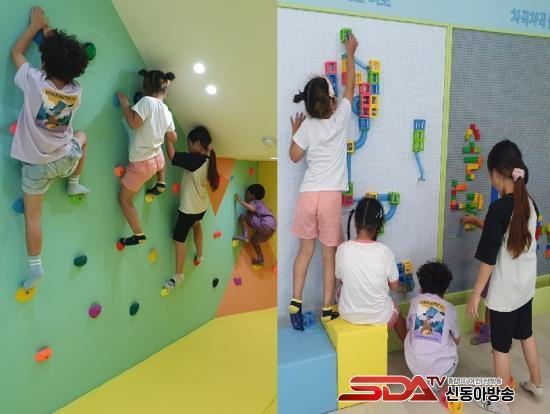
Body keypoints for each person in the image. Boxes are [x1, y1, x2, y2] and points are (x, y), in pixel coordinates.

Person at [11, 7, 90, 289]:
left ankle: (36, 267)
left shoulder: (33, 81)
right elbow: (61, 64)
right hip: (65, 159)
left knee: (33, 217)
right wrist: (51, 39)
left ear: (44, 63)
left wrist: (34, 28)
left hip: (36, 167)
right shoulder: (76, 91)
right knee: (82, 136)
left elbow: (16, 53)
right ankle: (74, 183)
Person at [287, 33, 359, 330]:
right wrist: (350, 53)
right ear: (331, 100)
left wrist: (295, 133)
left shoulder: (306, 127)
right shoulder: (340, 118)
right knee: (329, 255)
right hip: (329, 198)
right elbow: (351, 87)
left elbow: (294, 157)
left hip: (308, 196)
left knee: (305, 252)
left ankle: (295, 301)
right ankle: (328, 309)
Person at [467, 140, 543, 414]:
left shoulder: (499, 208)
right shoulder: (529, 204)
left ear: (498, 174)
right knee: (526, 334)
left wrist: (476, 293)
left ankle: (500, 402)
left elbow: (488, 259)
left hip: (505, 294)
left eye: (490, 174)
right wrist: (482, 224)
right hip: (525, 288)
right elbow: (510, 234)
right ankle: (536, 384)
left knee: (500, 347)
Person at [117, 69, 176, 247]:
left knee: (125, 200)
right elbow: (173, 138)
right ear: (165, 90)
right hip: (157, 162)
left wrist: (125, 104)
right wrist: (162, 128)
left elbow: (133, 123)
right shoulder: (167, 111)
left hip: (141, 166)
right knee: (159, 149)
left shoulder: (146, 101)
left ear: (145, 88)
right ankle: (161, 182)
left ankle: (138, 234)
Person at [335, 197, 407, 341]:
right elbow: (394, 287)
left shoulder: (342, 249)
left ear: (355, 222)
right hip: (379, 316)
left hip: (348, 314)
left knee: (339, 292)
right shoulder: (384, 252)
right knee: (395, 309)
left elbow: (341, 279)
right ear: (379, 226)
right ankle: (408, 345)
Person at [163, 126, 219, 290]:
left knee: (178, 240)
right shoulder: (209, 159)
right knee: (196, 225)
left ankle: (178, 275)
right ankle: (200, 255)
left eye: (189, 144)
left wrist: (167, 137)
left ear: (198, 144)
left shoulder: (195, 160)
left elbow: (172, 155)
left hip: (189, 209)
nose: (188, 148)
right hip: (200, 207)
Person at [404, 262, 459, 384]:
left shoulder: (415, 302)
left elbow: (408, 330)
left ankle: (427, 380)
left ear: (421, 288)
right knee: (451, 336)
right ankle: (437, 382)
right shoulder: (449, 308)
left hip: (415, 368)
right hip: (441, 373)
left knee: (412, 331)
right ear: (446, 290)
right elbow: (457, 340)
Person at [233, 184, 277, 266]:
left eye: (247, 193)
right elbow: (253, 213)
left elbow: (252, 209)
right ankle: (261, 259)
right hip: (272, 228)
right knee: (254, 241)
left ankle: (244, 235)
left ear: (252, 195)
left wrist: (240, 201)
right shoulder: (262, 205)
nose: (246, 194)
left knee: (243, 216)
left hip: (265, 222)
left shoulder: (255, 202)